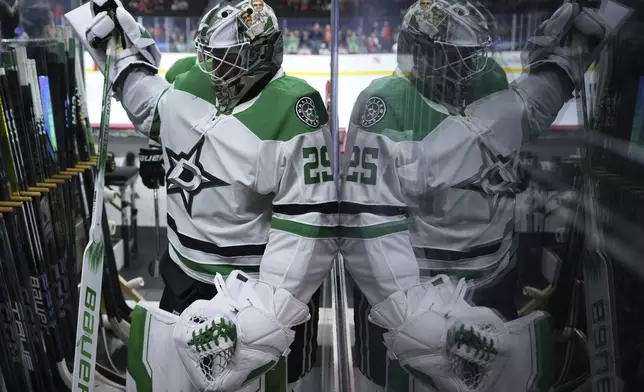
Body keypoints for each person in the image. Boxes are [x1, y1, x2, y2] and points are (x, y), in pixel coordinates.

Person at [341, 0, 618, 390]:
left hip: (492, 280)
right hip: (424, 289)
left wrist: (560, 69)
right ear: (418, 52)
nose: (466, 67)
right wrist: (417, 316)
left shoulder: (488, 78)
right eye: (453, 56)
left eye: (471, 55)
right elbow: (368, 221)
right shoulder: (384, 103)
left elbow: (519, 117)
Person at [76, 0, 338, 390]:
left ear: (262, 56)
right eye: (211, 55)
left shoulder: (296, 110)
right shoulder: (190, 78)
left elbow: (309, 225)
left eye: (229, 58)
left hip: (248, 290)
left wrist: (260, 319)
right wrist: (117, 50)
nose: (216, 67)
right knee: (174, 379)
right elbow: (151, 106)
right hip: (181, 278)